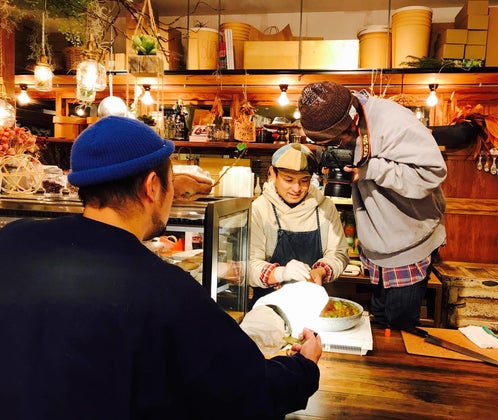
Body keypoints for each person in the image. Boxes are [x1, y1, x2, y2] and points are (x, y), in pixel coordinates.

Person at [0, 116, 322, 420]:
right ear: (153, 186)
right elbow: (245, 390)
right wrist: (304, 366)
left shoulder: (13, 240)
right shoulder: (168, 290)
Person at [298, 81, 447, 330]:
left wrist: (370, 169)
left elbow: (432, 174)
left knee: (400, 329)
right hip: (377, 246)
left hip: (409, 244)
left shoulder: (394, 123)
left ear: (353, 121)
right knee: (380, 324)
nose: (334, 146)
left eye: (336, 141)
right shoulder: (345, 123)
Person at [249, 143, 349, 303]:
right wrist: (281, 273)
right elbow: (250, 265)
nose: (296, 188)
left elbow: (339, 254)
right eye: (288, 180)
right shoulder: (260, 208)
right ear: (272, 173)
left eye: (304, 180)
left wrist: (320, 272)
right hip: (268, 305)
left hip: (313, 302)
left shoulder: (325, 207)